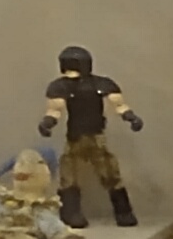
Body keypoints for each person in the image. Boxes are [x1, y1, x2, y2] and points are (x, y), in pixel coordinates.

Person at [38, 46, 145, 228]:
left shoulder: (100, 84)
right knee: (69, 176)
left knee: (110, 173)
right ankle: (71, 213)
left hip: (96, 136)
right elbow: (55, 109)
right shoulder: (62, 86)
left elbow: (119, 105)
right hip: (75, 138)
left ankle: (123, 211)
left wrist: (131, 117)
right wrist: (47, 123)